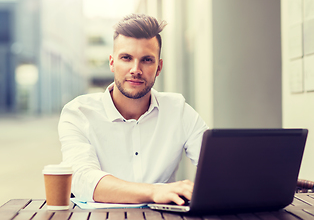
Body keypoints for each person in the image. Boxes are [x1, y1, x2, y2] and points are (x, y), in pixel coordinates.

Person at [58, 13, 208, 205]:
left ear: (159, 67)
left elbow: (219, 169)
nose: (135, 69)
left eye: (146, 60)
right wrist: (154, 191)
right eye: (126, 58)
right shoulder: (78, 113)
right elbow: (82, 180)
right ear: (112, 63)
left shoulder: (178, 110)